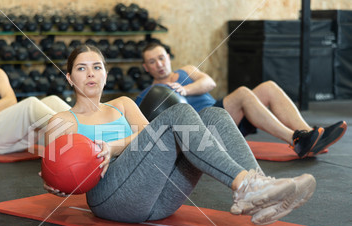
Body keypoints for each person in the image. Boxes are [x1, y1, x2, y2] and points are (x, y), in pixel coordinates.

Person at [41, 45, 316, 226]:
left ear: (105, 74)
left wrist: (113, 147)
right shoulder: (62, 120)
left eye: (97, 67)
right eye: (81, 68)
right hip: (111, 201)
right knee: (178, 117)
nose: (90, 73)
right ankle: (246, 187)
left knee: (214, 116)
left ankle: (260, 191)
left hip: (160, 198)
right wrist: (56, 184)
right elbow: (57, 174)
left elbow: (150, 137)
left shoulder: (123, 104)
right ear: (69, 78)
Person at [136, 43, 347, 159]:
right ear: (146, 67)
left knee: (268, 87)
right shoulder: (149, 93)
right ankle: (296, 140)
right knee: (243, 93)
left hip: (225, 116)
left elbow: (209, 82)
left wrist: (184, 89)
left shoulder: (186, 71)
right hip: (204, 128)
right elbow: (142, 125)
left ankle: (309, 135)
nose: (159, 64)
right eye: (152, 62)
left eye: (161, 57)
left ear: (168, 57)